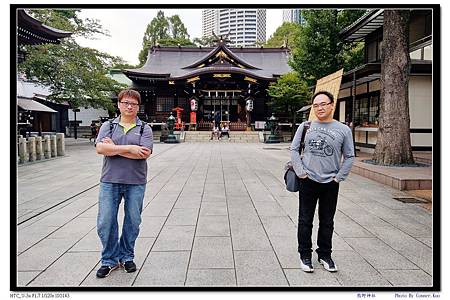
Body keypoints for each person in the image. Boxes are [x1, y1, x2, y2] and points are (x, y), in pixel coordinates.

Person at [290, 91, 354, 273]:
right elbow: (294, 150)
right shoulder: (305, 126)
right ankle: (305, 255)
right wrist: (301, 173)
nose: (320, 108)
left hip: (330, 183)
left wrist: (338, 178)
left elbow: (349, 156)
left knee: (327, 221)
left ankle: (325, 254)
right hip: (308, 181)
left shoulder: (343, 130)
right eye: (316, 105)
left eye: (323, 104)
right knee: (305, 220)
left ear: (332, 105)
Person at [94, 89, 153, 278]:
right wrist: (129, 148)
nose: (129, 106)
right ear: (119, 104)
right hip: (109, 181)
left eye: (134, 104)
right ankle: (109, 259)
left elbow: (144, 154)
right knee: (105, 221)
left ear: (138, 107)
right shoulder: (108, 126)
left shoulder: (145, 128)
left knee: (133, 221)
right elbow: (100, 148)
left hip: (135, 181)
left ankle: (127, 256)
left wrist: (114, 148)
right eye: (126, 102)